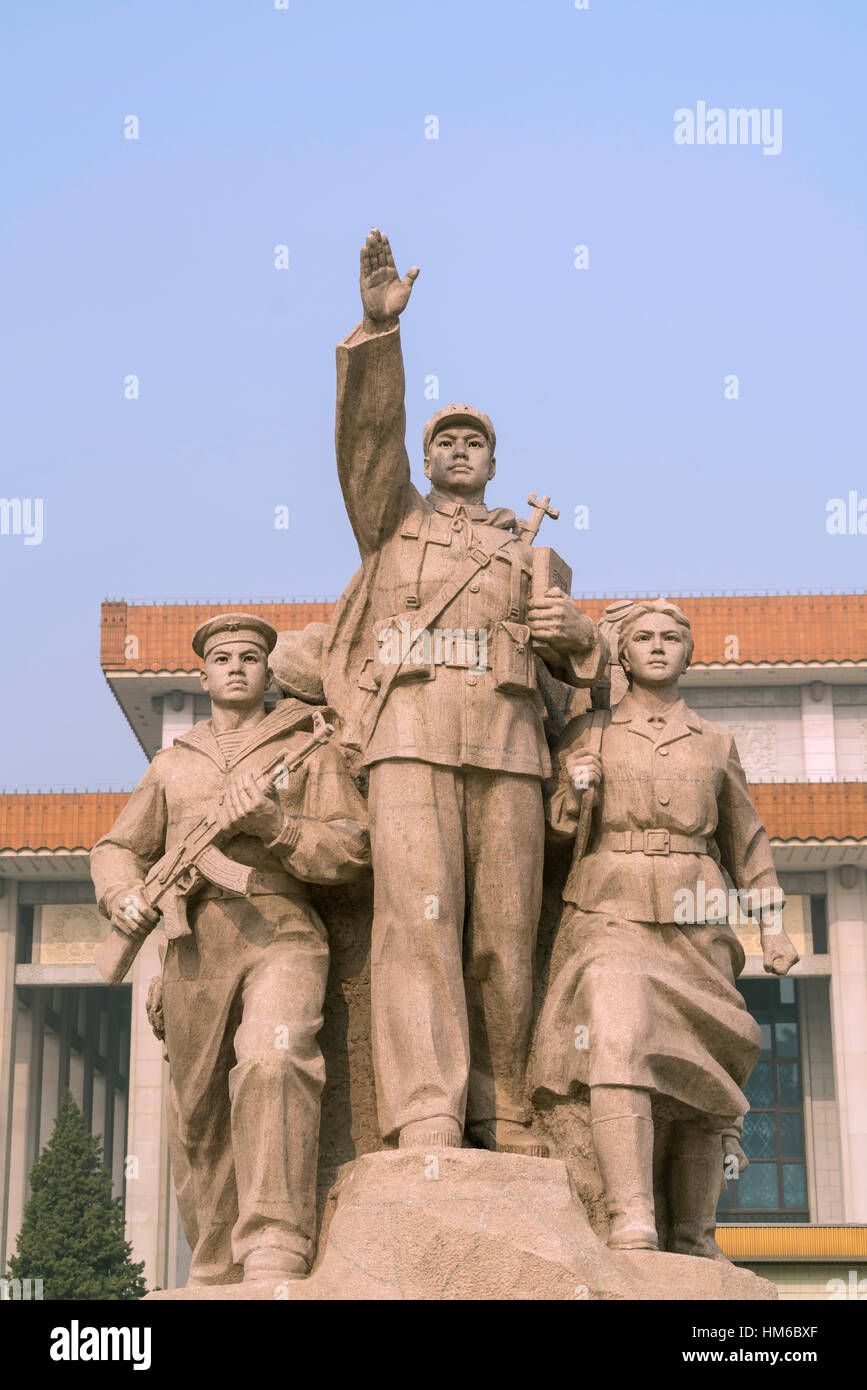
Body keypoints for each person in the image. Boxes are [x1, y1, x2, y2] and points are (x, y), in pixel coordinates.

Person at [327, 228, 606, 1155]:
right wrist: (378, 338)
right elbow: (367, 444)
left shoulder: (531, 550)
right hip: (408, 739)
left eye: (472, 440)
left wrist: (580, 637)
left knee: (502, 934)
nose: (457, 448)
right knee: (417, 927)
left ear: (493, 461)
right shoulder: (392, 523)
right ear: (426, 456)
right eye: (442, 438)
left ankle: (505, 1106)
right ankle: (426, 1109)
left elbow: (589, 659)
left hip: (509, 748)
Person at [90, 613, 369, 1286]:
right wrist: (124, 893)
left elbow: (351, 847)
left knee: (273, 1061)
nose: (238, 666)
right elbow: (117, 847)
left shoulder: (308, 745)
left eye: (250, 656)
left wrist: (274, 825)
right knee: (201, 1113)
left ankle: (275, 1242)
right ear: (205, 673)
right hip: (193, 944)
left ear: (268, 671)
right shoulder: (172, 765)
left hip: (281, 925)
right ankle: (215, 1260)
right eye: (223, 658)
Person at [530, 599, 799, 1256]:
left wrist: (771, 928)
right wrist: (576, 793)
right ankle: (629, 1215)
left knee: (704, 1065)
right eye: (643, 637)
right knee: (617, 1041)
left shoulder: (714, 742)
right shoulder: (587, 734)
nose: (656, 647)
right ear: (620, 654)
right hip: (609, 906)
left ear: (687, 651)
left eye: (670, 638)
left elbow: (747, 844)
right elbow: (552, 833)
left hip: (695, 917)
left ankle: (694, 1231)